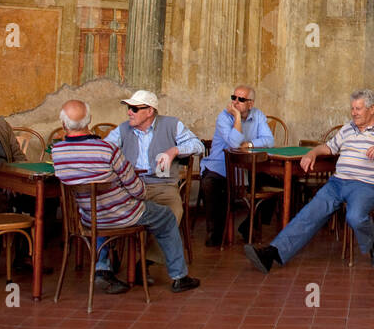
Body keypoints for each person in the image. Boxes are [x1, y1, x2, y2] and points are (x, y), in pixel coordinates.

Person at [243, 89, 374, 271]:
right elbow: (329, 147)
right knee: (309, 213)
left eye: (358, 109)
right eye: (352, 108)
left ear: (372, 108)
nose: (354, 113)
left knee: (355, 216)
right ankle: (272, 254)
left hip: (369, 185)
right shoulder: (348, 128)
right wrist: (313, 152)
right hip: (338, 183)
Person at [50, 99, 198, 294]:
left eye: (134, 108)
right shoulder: (107, 149)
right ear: (89, 120)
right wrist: (139, 194)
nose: (129, 112)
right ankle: (180, 276)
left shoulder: (57, 152)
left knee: (100, 212)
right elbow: (136, 189)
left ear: (63, 124)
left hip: (88, 217)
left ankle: (103, 268)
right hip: (123, 214)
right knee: (166, 216)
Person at [103, 89, 204, 265]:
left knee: (173, 212)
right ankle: (109, 258)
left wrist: (175, 150)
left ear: (150, 111)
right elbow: (105, 150)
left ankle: (146, 260)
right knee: (107, 207)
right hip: (129, 186)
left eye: (134, 109)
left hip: (162, 186)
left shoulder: (171, 125)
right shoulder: (123, 129)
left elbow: (198, 145)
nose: (129, 112)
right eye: (128, 108)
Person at [199, 85, 275, 246]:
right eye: (233, 98)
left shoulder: (258, 115)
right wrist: (238, 118)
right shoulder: (224, 117)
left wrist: (250, 144)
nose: (235, 102)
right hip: (221, 167)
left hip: (248, 168)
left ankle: (248, 226)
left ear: (250, 104)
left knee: (276, 186)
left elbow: (269, 140)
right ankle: (215, 235)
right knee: (209, 184)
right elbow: (234, 143)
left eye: (241, 99)